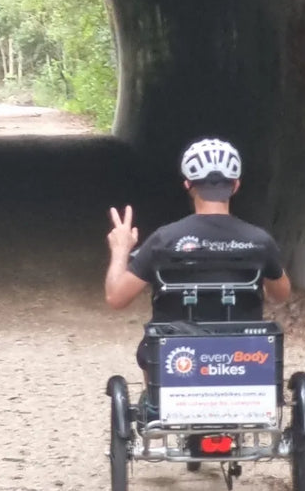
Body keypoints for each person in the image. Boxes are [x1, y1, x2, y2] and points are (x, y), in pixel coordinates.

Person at [104, 137, 291, 423]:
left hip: (178, 356)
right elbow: (281, 294)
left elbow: (116, 298)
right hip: (243, 358)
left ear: (188, 186)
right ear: (236, 185)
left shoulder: (163, 240)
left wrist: (120, 250)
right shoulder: (258, 241)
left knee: (150, 348)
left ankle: (159, 405)